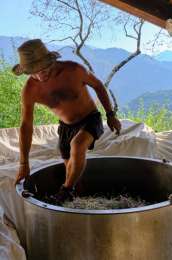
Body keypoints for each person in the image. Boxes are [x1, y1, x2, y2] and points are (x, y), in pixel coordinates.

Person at [12, 39, 121, 203]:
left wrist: (111, 115)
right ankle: (82, 204)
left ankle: (64, 193)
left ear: (51, 61)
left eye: (43, 68)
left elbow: (98, 86)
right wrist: (23, 163)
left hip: (90, 119)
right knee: (72, 174)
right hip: (65, 128)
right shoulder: (30, 90)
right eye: (34, 71)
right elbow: (26, 126)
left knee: (77, 146)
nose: (40, 74)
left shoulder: (74, 70)